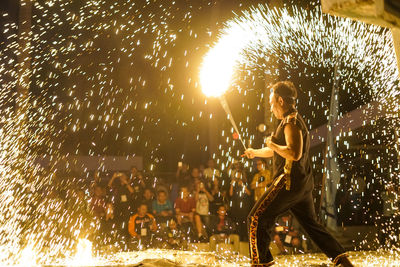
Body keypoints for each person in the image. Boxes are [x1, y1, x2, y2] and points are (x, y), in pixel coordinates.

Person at [244, 81, 354, 266]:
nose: (271, 108)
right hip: (302, 185)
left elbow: (294, 153)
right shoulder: (291, 120)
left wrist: (272, 144)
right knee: (313, 226)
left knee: (256, 218)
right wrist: (255, 152)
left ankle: (260, 263)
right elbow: (279, 150)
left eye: (272, 103)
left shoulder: (290, 123)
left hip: (288, 183)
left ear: (280, 100)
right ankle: (343, 261)